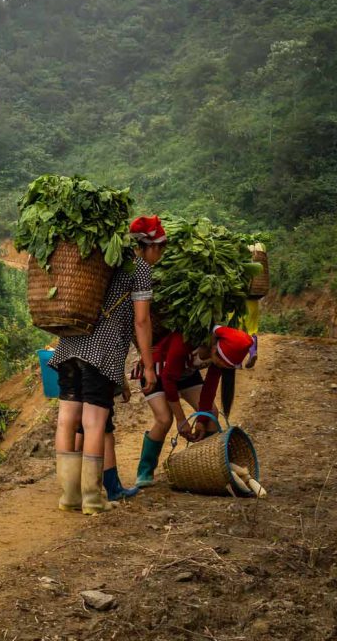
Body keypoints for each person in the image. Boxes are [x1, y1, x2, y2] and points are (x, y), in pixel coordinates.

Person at [50, 215, 163, 515]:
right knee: (94, 422)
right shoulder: (138, 269)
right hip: (100, 352)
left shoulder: (103, 260)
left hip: (70, 345)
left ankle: (69, 496)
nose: (160, 255)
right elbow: (141, 320)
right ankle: (91, 498)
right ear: (148, 246)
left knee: (66, 419)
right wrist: (148, 365)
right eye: (160, 247)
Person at [134, 324, 254, 486]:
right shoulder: (184, 342)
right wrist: (181, 420)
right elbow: (168, 379)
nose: (221, 366)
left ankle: (211, 466)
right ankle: (145, 471)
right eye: (220, 362)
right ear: (215, 349)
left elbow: (209, 388)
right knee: (164, 419)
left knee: (211, 413)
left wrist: (201, 421)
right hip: (158, 372)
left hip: (185, 374)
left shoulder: (219, 359)